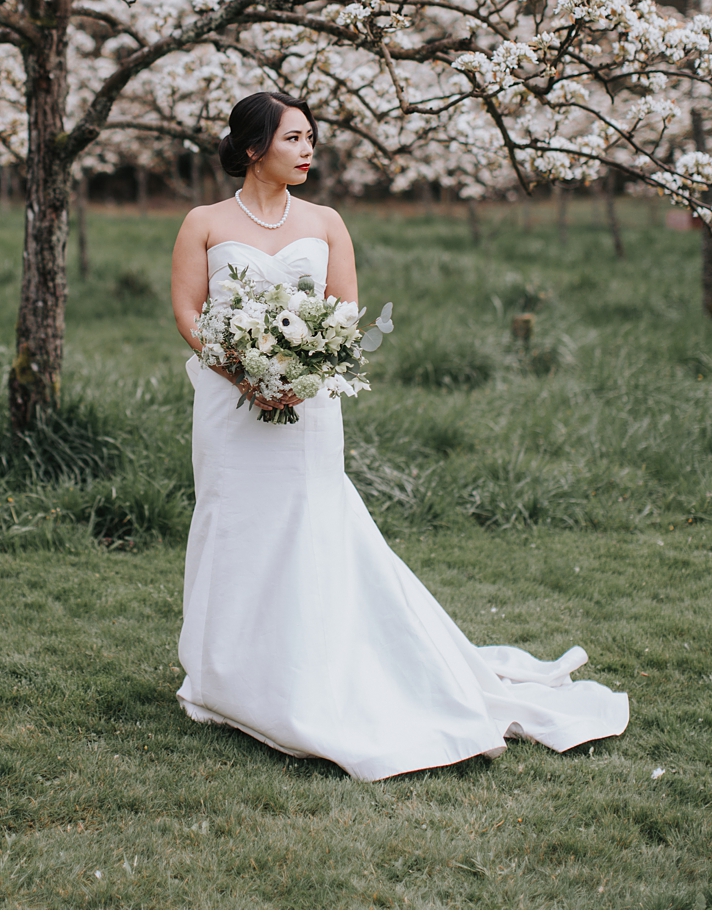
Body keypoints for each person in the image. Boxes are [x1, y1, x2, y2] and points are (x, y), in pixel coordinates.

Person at [169, 90, 628, 781]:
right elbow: (188, 308)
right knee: (235, 524)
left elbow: (346, 310)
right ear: (254, 146)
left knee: (309, 523)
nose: (308, 149)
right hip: (230, 405)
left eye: (312, 138)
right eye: (295, 137)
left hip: (308, 407)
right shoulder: (203, 221)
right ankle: (228, 675)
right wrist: (242, 371)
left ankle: (313, 667)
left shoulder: (326, 222)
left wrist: (301, 371)